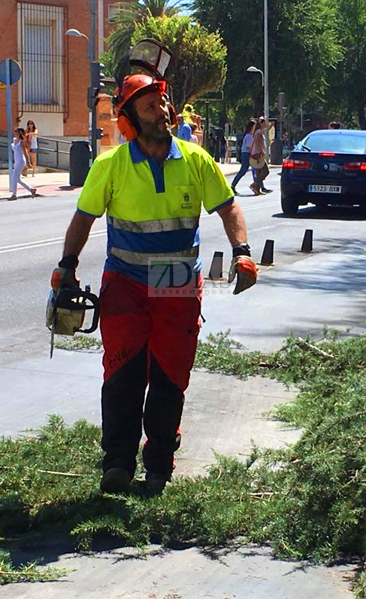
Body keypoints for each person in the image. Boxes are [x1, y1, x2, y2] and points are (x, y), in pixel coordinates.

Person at [51, 64, 257, 495]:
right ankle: (118, 463)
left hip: (176, 277)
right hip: (126, 280)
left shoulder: (196, 160)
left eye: (162, 102)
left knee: (169, 372)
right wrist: (66, 265)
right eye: (150, 105)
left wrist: (241, 253)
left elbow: (229, 208)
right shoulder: (111, 166)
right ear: (130, 119)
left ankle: (159, 462)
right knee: (123, 370)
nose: (162, 110)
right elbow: (83, 218)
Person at [8, 128, 38, 200]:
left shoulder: (21, 142)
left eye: (16, 132)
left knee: (14, 177)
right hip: (17, 161)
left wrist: (28, 163)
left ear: (19, 133)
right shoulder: (14, 140)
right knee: (18, 179)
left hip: (21, 161)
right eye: (14, 131)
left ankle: (14, 195)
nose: (14, 133)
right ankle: (31, 190)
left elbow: (25, 152)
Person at [230, 120, 255, 195]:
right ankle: (232, 186)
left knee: (256, 170)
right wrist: (253, 155)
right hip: (246, 154)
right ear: (251, 127)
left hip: (246, 154)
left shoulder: (249, 136)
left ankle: (259, 186)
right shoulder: (248, 136)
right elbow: (249, 147)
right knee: (243, 171)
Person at [249, 116, 271, 195]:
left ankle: (257, 190)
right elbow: (258, 144)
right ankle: (254, 184)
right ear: (261, 123)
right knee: (265, 171)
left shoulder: (259, 131)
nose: (265, 124)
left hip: (257, 154)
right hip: (258, 154)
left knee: (259, 172)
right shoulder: (258, 132)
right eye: (264, 122)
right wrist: (261, 152)